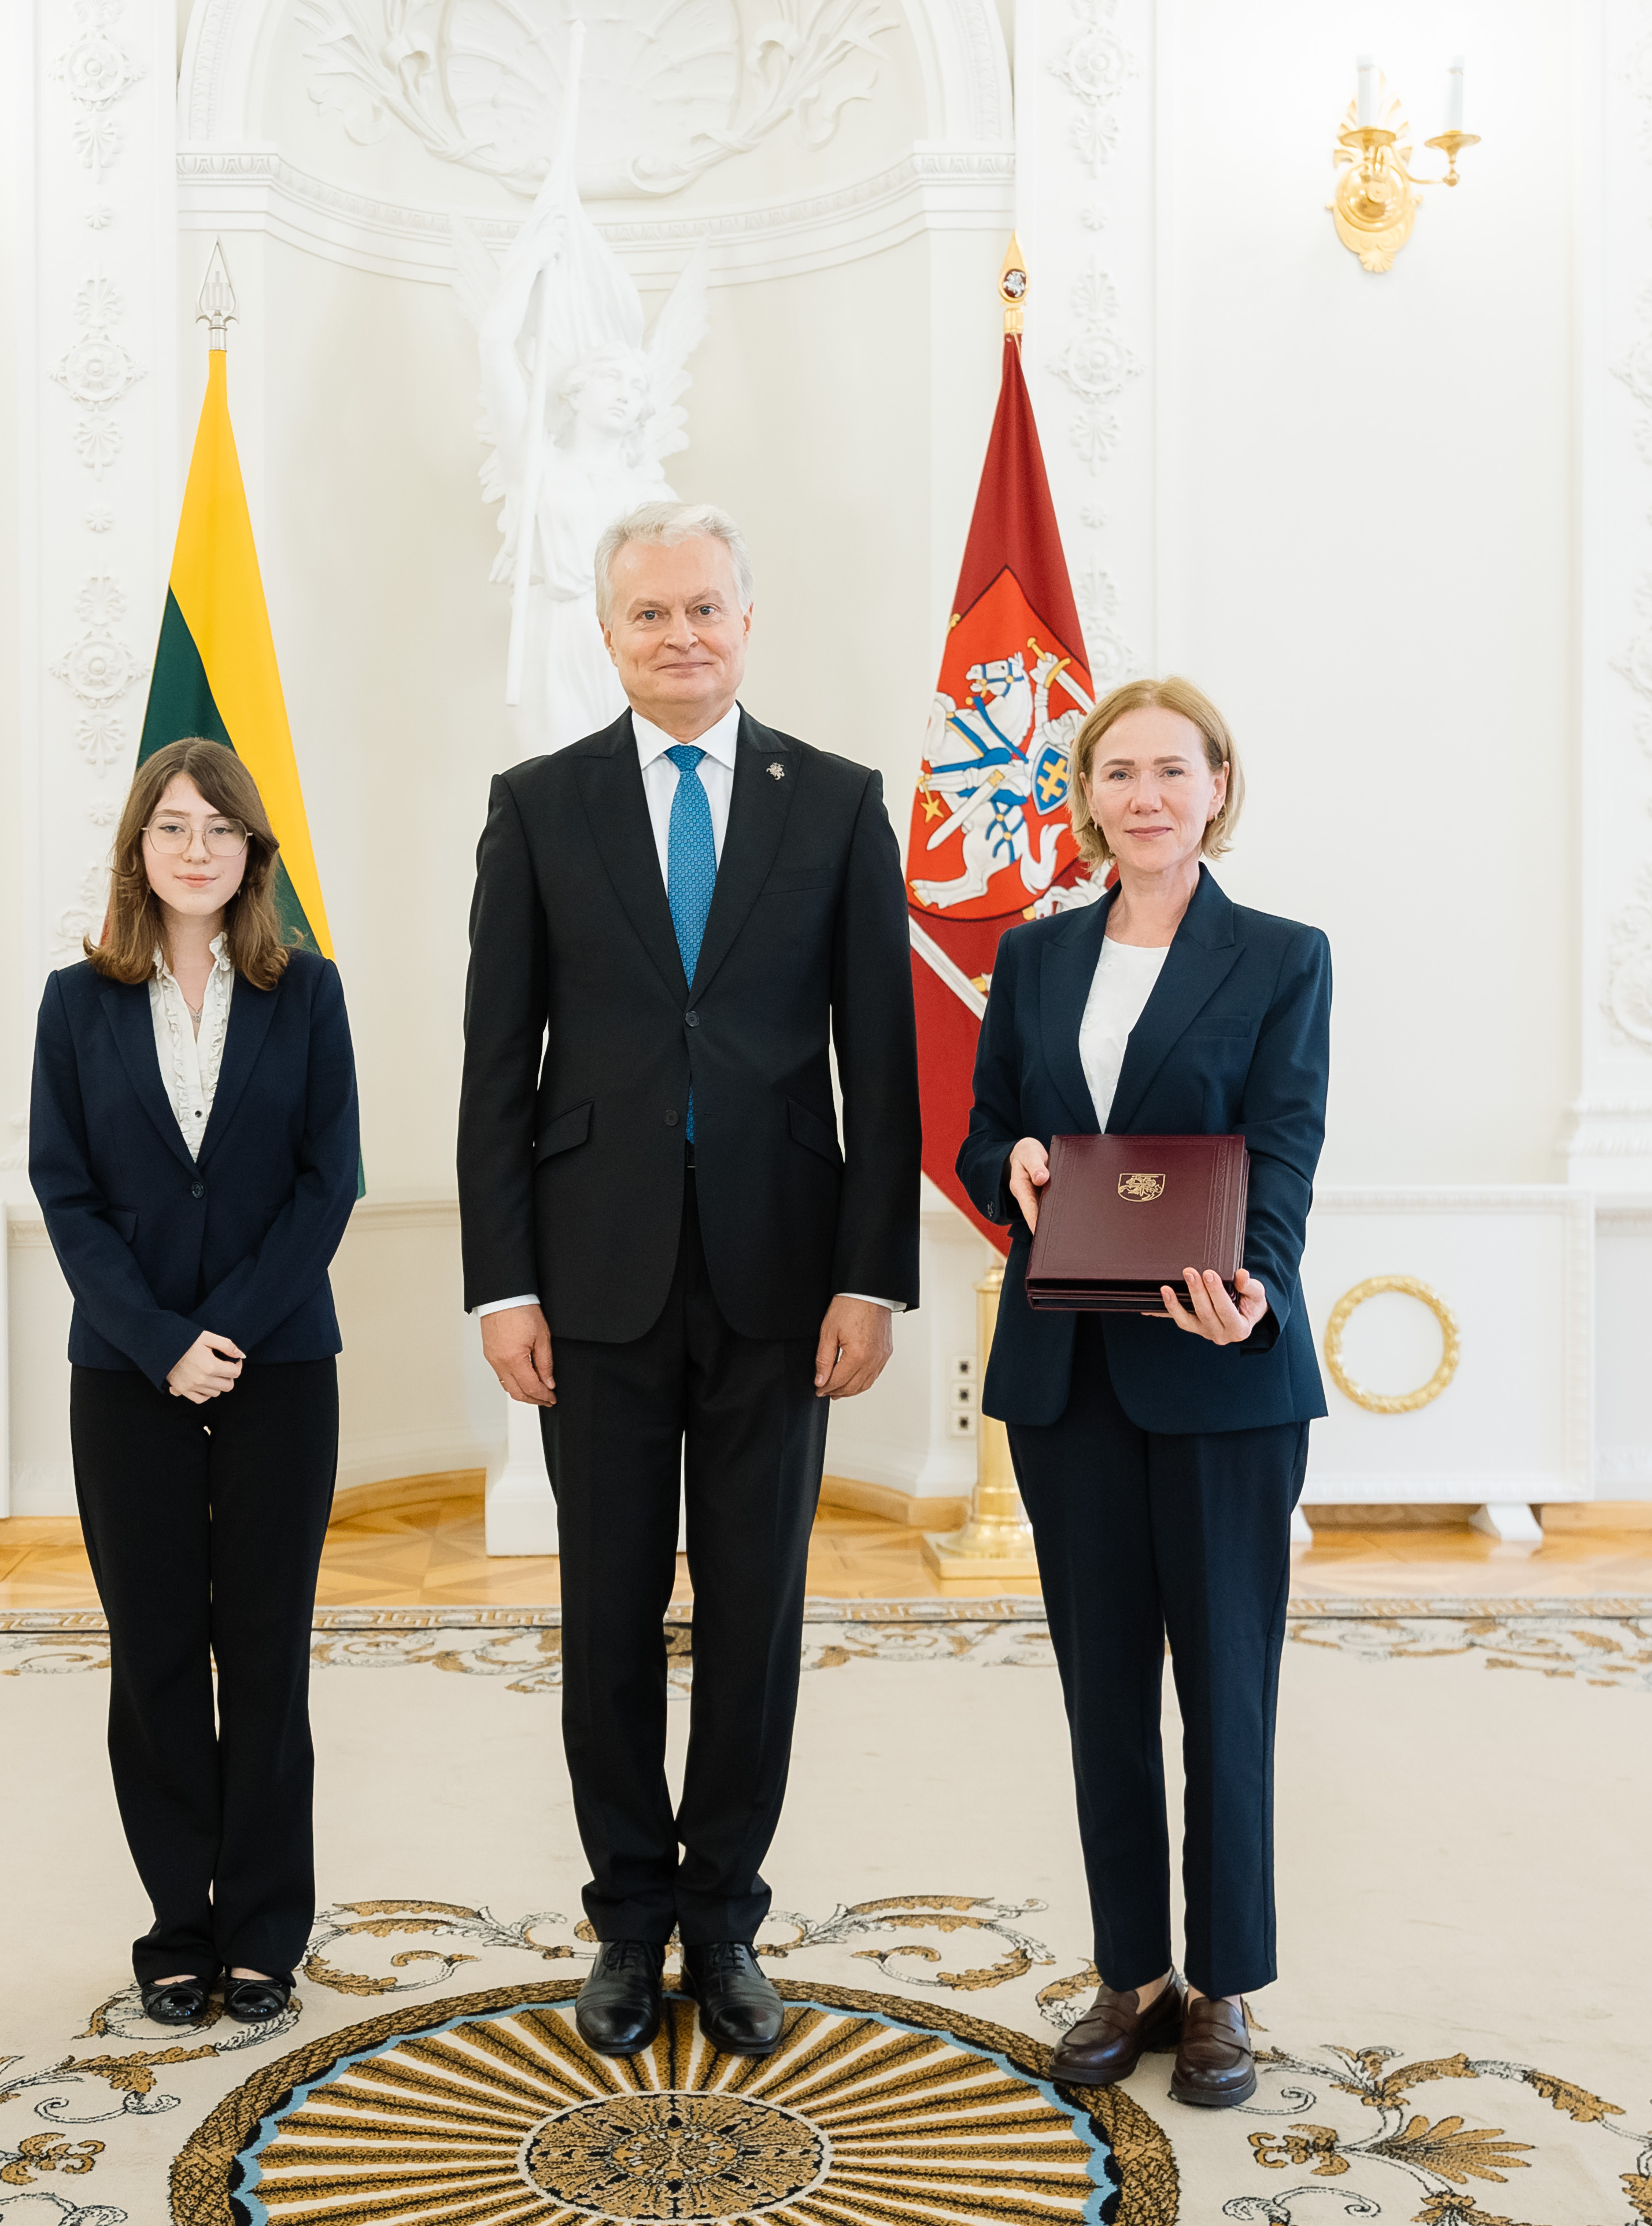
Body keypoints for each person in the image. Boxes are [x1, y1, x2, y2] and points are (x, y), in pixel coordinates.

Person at [459, 500, 918, 2059]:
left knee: (753, 1614)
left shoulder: (838, 803)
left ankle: (721, 1919)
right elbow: (494, 1066)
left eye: (705, 607)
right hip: (589, 1280)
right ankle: (625, 1918)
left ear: (746, 620)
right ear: (607, 634)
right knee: (603, 1612)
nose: (680, 634)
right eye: (649, 612)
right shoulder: (538, 806)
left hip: (784, 1282)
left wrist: (870, 1278)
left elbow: (881, 1064)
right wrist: (500, 1285)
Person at [955, 675, 1331, 2111]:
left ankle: (1223, 1980)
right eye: (1119, 771)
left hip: (1221, 1367)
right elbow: (989, 1131)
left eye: (1174, 769)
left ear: (1217, 786)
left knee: (1225, 1686)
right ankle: (1129, 1970)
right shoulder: (1034, 955)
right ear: (1087, 795)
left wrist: (1258, 1288)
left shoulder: (1282, 955)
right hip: (1071, 1374)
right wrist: (1011, 1163)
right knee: (1101, 1689)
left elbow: (1283, 1143)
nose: (1146, 795)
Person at [29, 738, 360, 2032]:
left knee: (266, 1653)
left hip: (281, 1366)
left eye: (220, 827)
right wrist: (162, 1339)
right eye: (171, 826)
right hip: (126, 1373)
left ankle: (265, 1933)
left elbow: (327, 1181)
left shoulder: (307, 991)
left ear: (252, 849)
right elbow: (66, 1191)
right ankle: (177, 1929)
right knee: (156, 1651)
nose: (196, 848)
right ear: (138, 847)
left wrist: (226, 1330)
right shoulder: (75, 1001)